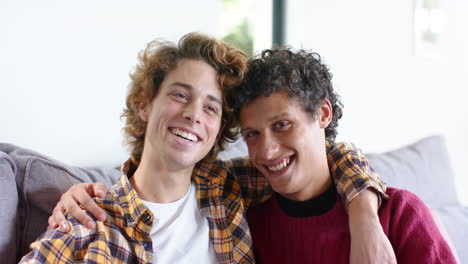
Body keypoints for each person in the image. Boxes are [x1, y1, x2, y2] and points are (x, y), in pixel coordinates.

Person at [23, 33, 391, 263]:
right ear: (144, 104)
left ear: (218, 130)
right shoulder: (88, 221)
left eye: (211, 107)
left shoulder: (230, 188)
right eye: (180, 95)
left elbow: (324, 158)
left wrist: (364, 216)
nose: (193, 115)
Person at [230, 48, 457, 263]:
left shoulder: (400, 215)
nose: (266, 151)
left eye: (282, 124)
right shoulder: (247, 226)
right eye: (252, 134)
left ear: (323, 114)